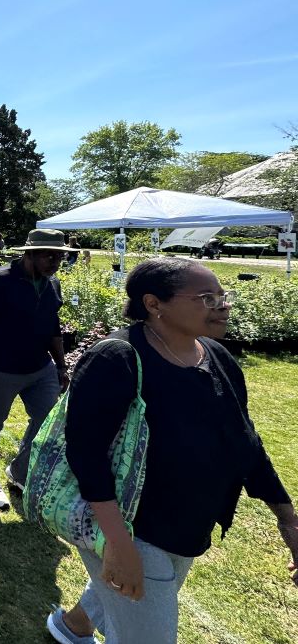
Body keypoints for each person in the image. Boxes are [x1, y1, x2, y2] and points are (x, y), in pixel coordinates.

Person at [49, 258, 298, 644]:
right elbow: (86, 453)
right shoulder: (116, 358)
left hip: (188, 525)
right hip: (134, 526)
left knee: (139, 596)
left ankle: (73, 626)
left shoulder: (217, 357)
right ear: (154, 304)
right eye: (207, 297)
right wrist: (118, 543)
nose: (223, 305)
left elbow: (246, 443)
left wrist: (288, 520)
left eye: (223, 296)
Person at [0, 229, 73, 510]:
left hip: (40, 367)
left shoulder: (51, 284)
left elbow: (52, 328)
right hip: (0, 367)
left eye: (59, 256)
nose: (55, 262)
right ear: (29, 253)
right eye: (49, 256)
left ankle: (20, 471)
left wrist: (60, 365)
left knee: (48, 420)